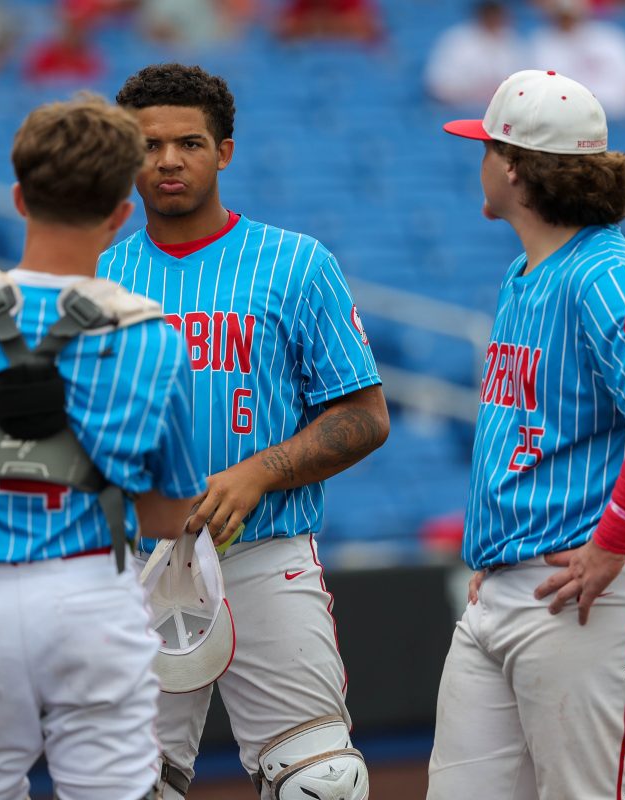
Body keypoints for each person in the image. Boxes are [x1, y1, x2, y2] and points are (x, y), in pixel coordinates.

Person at [0, 95, 205, 800]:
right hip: (92, 596)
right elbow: (171, 511)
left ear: (19, 199)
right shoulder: (152, 339)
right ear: (121, 213)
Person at [100, 63, 390, 799]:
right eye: (150, 144)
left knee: (323, 783)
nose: (169, 160)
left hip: (265, 554)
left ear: (224, 151)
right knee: (122, 787)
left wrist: (260, 471)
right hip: (136, 564)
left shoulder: (297, 263)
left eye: (190, 143)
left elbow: (364, 417)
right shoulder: (96, 280)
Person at [430, 70, 625, 799]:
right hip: (511, 586)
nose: (480, 159)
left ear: (515, 167)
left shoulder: (606, 269)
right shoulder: (526, 272)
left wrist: (613, 539)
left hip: (589, 588)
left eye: (488, 147)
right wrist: (499, 557)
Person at [527, 0, 625, 118]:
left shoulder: (610, 35)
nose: (568, 19)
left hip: (621, 116)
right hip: (571, 119)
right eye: (563, 14)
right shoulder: (541, 42)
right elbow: (543, 92)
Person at [424, 1, 526, 107]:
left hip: (498, 108)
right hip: (460, 107)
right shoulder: (457, 41)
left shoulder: (511, 40)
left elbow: (522, 83)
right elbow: (438, 87)